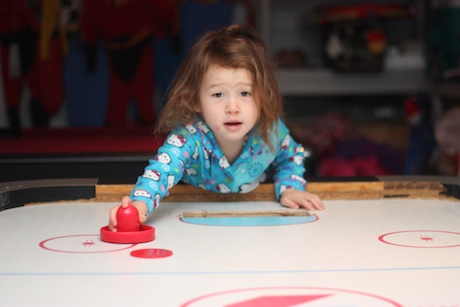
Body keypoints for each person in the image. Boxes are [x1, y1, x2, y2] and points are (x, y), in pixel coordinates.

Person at [108, 24, 324, 231]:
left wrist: (290, 187)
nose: (232, 107)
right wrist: (139, 206)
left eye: (245, 93)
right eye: (218, 94)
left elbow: (291, 156)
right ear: (195, 100)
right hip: (196, 226)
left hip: (255, 230)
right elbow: (160, 172)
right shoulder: (188, 138)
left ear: (262, 96)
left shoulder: (270, 130)